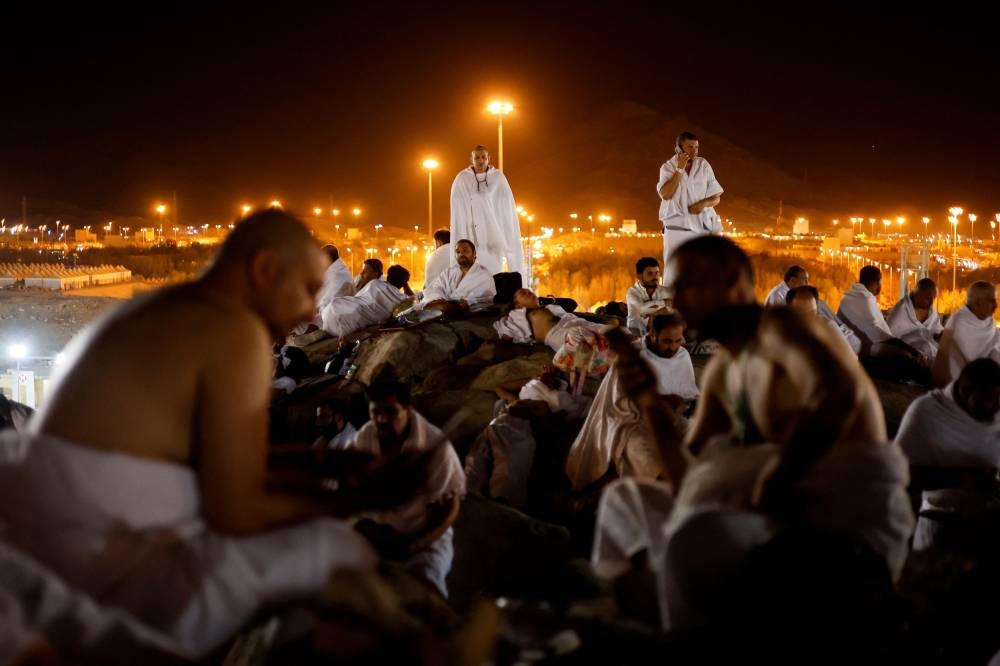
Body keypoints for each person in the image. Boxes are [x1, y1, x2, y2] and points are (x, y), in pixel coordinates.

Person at [0, 210, 429, 657]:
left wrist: (324, 464)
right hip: (88, 550)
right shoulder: (234, 328)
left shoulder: (161, 307)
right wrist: (358, 498)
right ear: (264, 269)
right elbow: (233, 510)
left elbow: (207, 465)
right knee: (335, 548)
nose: (310, 309)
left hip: (43, 517)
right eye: (307, 289)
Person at [591, 236, 912, 631]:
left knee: (695, 538)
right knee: (625, 502)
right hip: (763, 510)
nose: (675, 301)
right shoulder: (726, 370)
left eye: (685, 286)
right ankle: (639, 619)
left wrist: (768, 483)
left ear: (729, 280)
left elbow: (836, 398)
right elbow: (687, 479)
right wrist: (649, 401)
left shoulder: (786, 328)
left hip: (833, 511)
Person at [344, 380, 465, 597]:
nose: (382, 419)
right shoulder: (363, 438)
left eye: (391, 411)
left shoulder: (434, 444)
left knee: (424, 589)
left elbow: (450, 504)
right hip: (373, 533)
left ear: (407, 409)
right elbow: (346, 491)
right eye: (375, 412)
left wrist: (415, 545)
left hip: (422, 536)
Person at [567, 312, 698, 490]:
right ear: (653, 335)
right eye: (667, 341)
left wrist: (685, 404)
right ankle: (642, 497)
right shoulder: (632, 357)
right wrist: (657, 401)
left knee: (698, 438)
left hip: (672, 416)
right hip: (630, 420)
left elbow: (689, 391)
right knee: (644, 451)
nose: (673, 348)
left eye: (677, 341)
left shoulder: (682, 356)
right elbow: (617, 401)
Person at [656, 131, 723, 287]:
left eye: (697, 147)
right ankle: (672, 308)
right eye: (690, 147)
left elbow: (716, 197)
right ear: (679, 148)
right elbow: (666, 194)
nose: (694, 151)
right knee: (674, 271)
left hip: (702, 226)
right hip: (677, 227)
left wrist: (704, 204)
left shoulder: (704, 165)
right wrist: (679, 169)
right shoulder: (667, 167)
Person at [449, 145, 523, 280]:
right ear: (471, 159)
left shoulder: (498, 178)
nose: (480, 160)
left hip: (493, 239)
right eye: (477, 157)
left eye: (483, 157)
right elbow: (457, 208)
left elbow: (506, 208)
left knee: (492, 276)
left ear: (489, 158)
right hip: (472, 238)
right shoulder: (462, 178)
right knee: (474, 278)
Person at [932, 281, 1000, 387]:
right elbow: (973, 362)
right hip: (960, 384)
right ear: (977, 303)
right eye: (991, 301)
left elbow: (995, 347)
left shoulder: (989, 322)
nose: (996, 305)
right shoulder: (959, 322)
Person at [320, 265, 412, 338]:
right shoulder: (401, 300)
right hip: (346, 327)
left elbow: (356, 297)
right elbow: (414, 299)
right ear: (403, 282)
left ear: (388, 276)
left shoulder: (375, 283)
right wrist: (405, 284)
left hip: (332, 310)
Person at [420, 239, 497, 314]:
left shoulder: (483, 275)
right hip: (442, 308)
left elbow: (486, 298)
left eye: (465, 251)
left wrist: (468, 302)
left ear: (474, 254)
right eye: (458, 252)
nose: (461, 254)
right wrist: (438, 299)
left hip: (466, 314)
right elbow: (435, 287)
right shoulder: (448, 272)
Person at [786, 285, 861, 356]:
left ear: (817, 309)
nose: (808, 319)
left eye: (812, 313)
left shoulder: (829, 327)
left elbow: (850, 359)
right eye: (801, 314)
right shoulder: (781, 334)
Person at [886, 277, 943, 366]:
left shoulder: (931, 312)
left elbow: (936, 330)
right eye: (928, 298)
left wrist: (941, 335)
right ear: (917, 294)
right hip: (910, 359)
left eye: (933, 298)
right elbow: (891, 337)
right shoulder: (901, 311)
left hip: (934, 358)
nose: (932, 302)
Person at [494, 288, 568, 343]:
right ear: (517, 305)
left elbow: (571, 303)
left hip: (573, 324)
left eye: (529, 291)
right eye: (523, 294)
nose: (528, 292)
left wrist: (547, 300)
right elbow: (506, 336)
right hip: (562, 337)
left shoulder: (550, 307)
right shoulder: (516, 316)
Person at [625, 257, 671, 335]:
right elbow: (642, 309)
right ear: (639, 276)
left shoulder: (665, 292)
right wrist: (664, 303)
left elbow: (674, 309)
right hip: (636, 333)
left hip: (658, 334)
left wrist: (654, 314)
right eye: (650, 273)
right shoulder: (632, 292)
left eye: (657, 272)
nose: (655, 277)